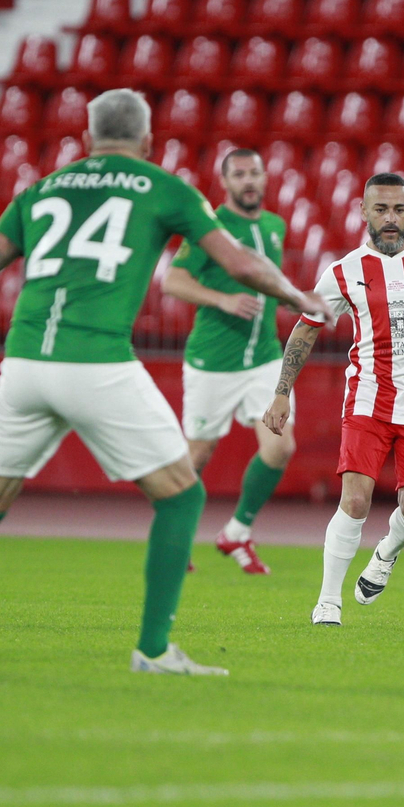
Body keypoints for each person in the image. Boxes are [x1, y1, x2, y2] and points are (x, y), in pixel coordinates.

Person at [0, 90, 331, 675]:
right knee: (183, 494)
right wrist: (299, 297)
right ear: (147, 141)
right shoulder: (163, 187)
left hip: (24, 366)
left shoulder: (42, 189)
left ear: (87, 139)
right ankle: (153, 650)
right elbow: (241, 263)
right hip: (96, 362)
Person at [262, 172, 404, 626]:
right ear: (363, 210)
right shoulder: (344, 271)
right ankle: (328, 601)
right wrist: (282, 392)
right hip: (368, 399)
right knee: (355, 500)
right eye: (381, 209)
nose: (391, 218)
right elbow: (306, 329)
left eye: (399, 209)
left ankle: (385, 554)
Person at [163, 147, 291, 575]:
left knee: (280, 446)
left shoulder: (275, 226)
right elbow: (173, 280)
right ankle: (173, 538)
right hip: (213, 360)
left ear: (265, 177)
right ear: (225, 182)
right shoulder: (209, 228)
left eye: (254, 172)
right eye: (239, 174)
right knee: (197, 454)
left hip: (265, 358)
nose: (248, 180)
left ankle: (236, 531)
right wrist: (222, 299)